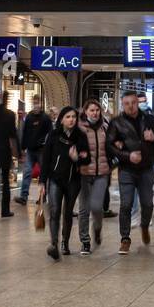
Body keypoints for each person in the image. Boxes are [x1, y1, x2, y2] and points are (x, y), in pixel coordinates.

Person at [109, 90, 154, 255]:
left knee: (148, 204)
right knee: (126, 204)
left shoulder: (149, 119)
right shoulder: (116, 122)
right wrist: (127, 155)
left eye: (133, 103)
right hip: (126, 169)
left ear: (138, 102)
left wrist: (153, 138)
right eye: (127, 103)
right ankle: (125, 239)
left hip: (146, 168)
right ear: (122, 104)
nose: (130, 106)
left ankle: (144, 225)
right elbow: (110, 145)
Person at [39, 106, 89, 261]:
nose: (71, 119)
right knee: (54, 212)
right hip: (55, 179)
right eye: (68, 117)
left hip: (73, 180)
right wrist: (42, 181)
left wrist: (77, 159)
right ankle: (53, 243)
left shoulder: (81, 136)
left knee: (67, 213)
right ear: (61, 119)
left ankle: (64, 243)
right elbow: (46, 160)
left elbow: (87, 158)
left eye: (73, 116)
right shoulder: (53, 135)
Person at [76, 100, 111, 254]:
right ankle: (85, 241)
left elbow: (112, 147)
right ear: (86, 111)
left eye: (97, 110)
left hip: (102, 173)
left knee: (97, 207)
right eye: (92, 110)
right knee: (84, 209)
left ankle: (97, 229)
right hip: (84, 173)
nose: (95, 113)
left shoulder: (105, 127)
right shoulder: (80, 129)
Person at [15, 99, 51, 205]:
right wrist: (22, 148)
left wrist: (45, 145)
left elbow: (50, 133)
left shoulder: (45, 118)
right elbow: (25, 132)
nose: (36, 106)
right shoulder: (29, 117)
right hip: (30, 150)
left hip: (41, 150)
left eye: (38, 103)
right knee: (27, 173)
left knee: (43, 174)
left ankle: (42, 196)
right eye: (35, 103)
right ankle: (24, 197)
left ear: (40, 105)